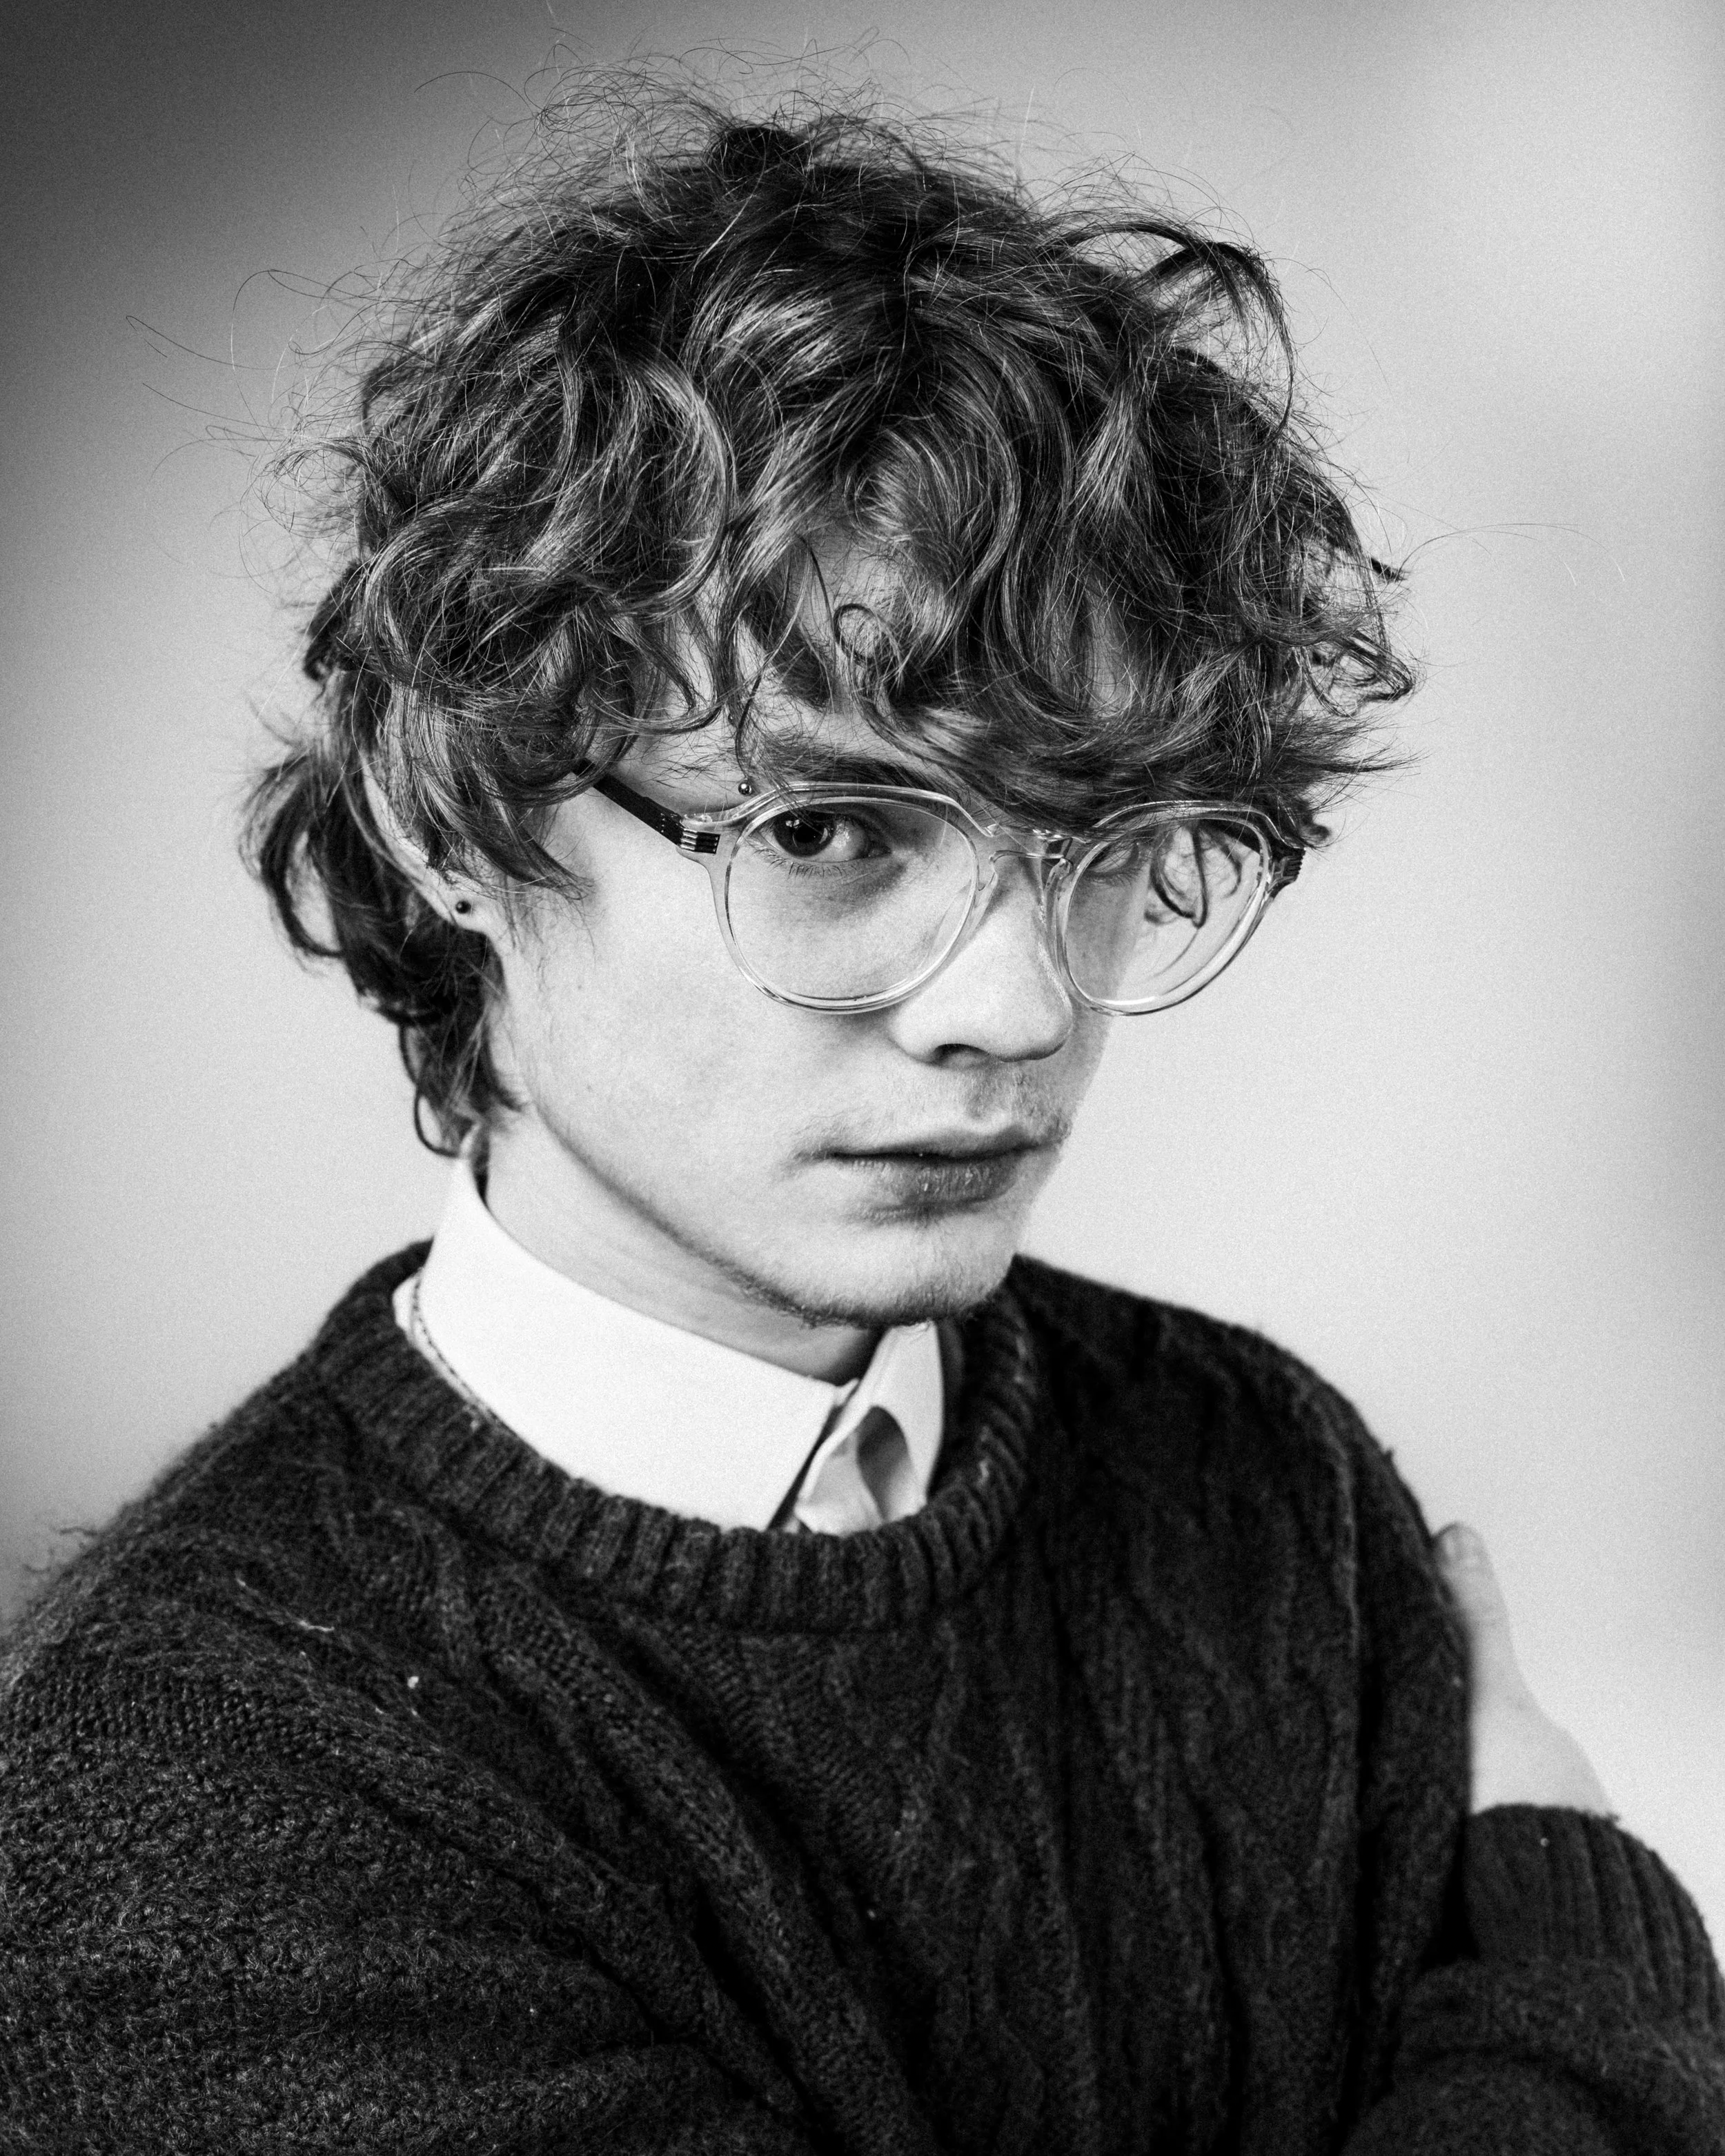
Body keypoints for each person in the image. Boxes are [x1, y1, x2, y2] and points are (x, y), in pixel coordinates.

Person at [1, 90, 1719, 2155]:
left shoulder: (1265, 1488)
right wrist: (1590, 1988)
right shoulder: (187, 1782)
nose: (1013, 1002)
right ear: (452, 817)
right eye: (825, 829)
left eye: (1098, 840)